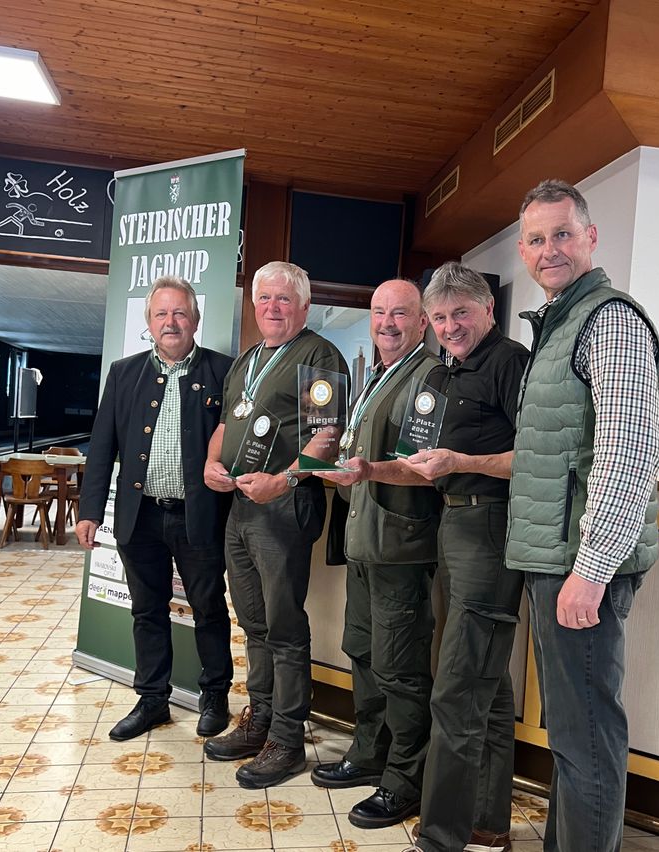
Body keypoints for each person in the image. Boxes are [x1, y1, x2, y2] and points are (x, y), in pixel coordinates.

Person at [507, 179, 659, 852]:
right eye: (537, 239)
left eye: (563, 234)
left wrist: (592, 571)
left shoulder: (612, 320)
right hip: (554, 560)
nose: (551, 249)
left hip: (581, 567)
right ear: (522, 249)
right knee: (571, 739)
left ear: (591, 237)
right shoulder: (560, 321)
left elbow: (627, 455)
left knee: (588, 741)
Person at [202, 260, 348, 789]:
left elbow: (325, 437)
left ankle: (287, 738)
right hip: (241, 508)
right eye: (264, 299)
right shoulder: (246, 360)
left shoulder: (319, 356)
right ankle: (259, 719)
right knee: (254, 622)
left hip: (285, 507)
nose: (272, 307)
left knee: (284, 627)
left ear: (304, 306)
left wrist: (281, 482)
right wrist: (210, 463)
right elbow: (224, 424)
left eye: (284, 299)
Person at [402, 262, 528, 852]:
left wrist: (463, 464)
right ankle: (486, 824)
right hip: (454, 522)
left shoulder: (509, 362)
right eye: (441, 317)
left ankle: (440, 838)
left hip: (490, 526)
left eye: (461, 314)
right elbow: (424, 458)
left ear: (489, 311)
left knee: (455, 688)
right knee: (487, 685)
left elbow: (534, 457)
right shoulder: (446, 371)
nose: (450, 326)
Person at [77, 275, 233, 741]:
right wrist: (88, 510)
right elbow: (102, 445)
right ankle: (152, 700)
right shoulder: (125, 373)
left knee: (208, 608)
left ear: (195, 320)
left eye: (180, 312)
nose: (171, 321)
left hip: (197, 516)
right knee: (147, 609)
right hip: (139, 515)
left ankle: (215, 696)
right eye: (161, 314)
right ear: (148, 323)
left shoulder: (224, 372)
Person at [310, 279, 442, 828]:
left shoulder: (428, 377)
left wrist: (363, 470)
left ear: (422, 322)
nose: (387, 322)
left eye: (400, 313)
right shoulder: (378, 376)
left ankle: (404, 780)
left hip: (399, 549)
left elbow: (422, 463)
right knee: (362, 651)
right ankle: (369, 754)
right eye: (379, 312)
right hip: (364, 541)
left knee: (400, 667)